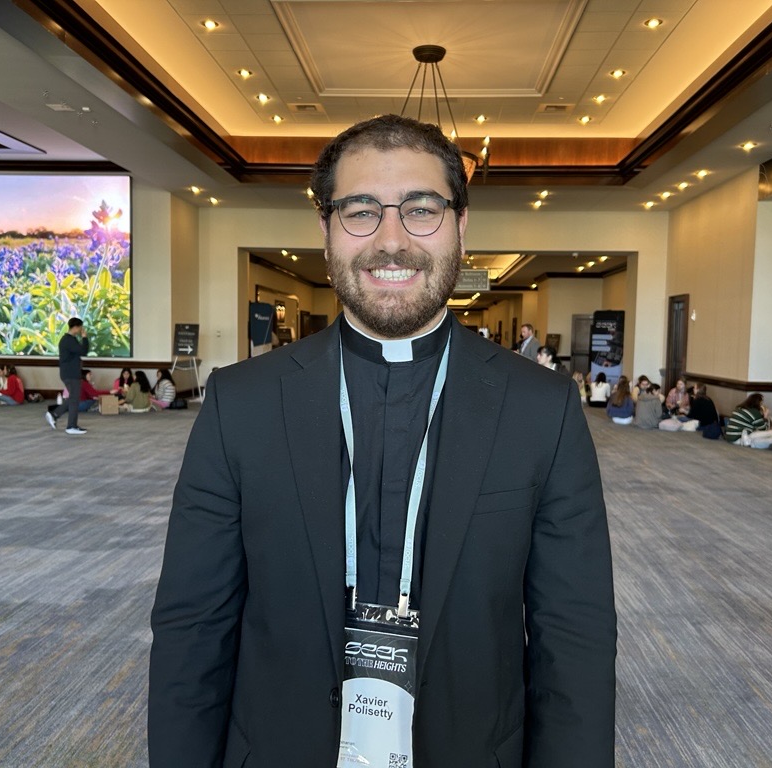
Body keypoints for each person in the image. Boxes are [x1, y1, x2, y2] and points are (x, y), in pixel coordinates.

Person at [149, 114, 616, 768]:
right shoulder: (241, 402)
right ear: (326, 229)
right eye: (361, 211)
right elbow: (193, 628)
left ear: (460, 226)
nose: (391, 241)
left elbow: (575, 638)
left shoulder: (542, 407)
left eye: (421, 209)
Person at [45, 317, 90, 435]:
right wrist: (85, 338)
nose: (81, 330)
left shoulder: (69, 340)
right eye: (80, 327)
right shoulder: (68, 340)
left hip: (70, 373)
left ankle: (55, 414)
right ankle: (70, 425)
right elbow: (83, 351)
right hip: (71, 373)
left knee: (73, 398)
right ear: (75, 327)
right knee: (74, 399)